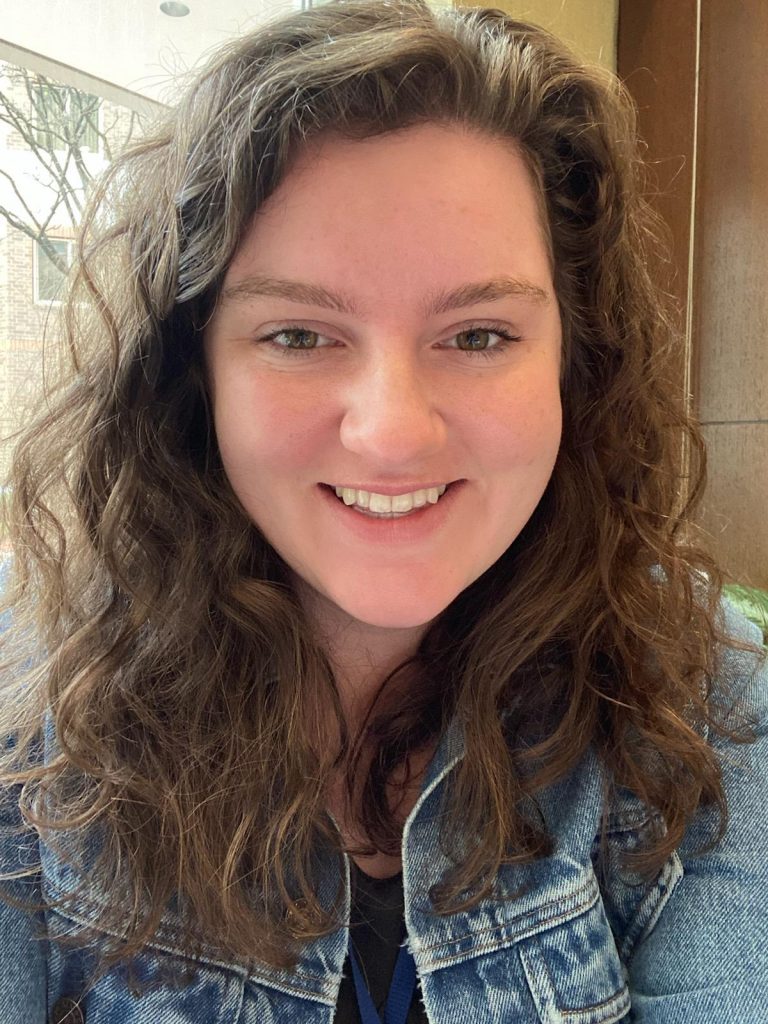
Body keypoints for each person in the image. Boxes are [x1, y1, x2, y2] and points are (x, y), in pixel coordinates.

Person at [1, 0, 766, 1020]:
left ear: (574, 364)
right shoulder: (28, 715)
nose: (393, 433)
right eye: (301, 336)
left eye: (481, 334)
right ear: (195, 370)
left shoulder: (710, 710)